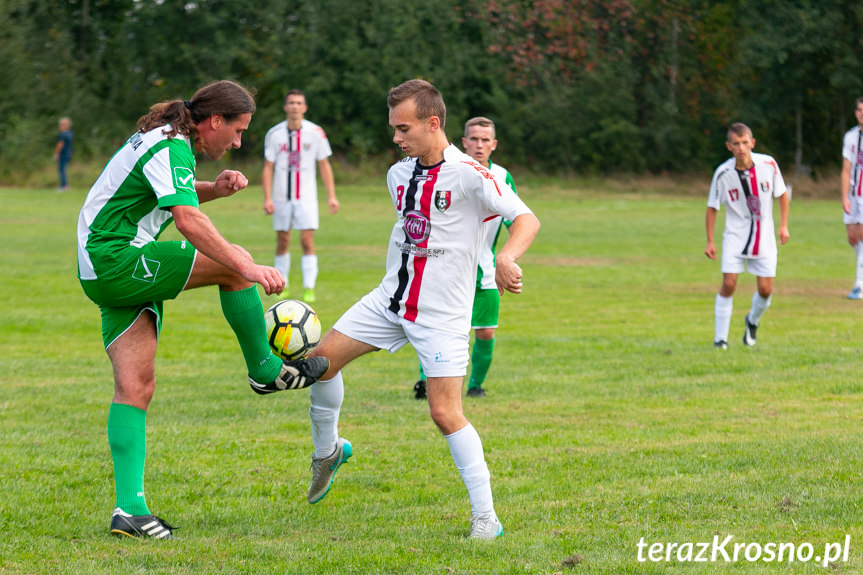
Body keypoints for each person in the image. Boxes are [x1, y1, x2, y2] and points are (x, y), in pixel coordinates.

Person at [76, 80, 328, 540]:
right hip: (115, 257)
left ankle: (128, 510)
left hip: (103, 265)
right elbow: (186, 218)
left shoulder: (168, 141)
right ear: (215, 121)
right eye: (237, 131)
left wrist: (213, 188)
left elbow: (168, 194)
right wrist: (247, 267)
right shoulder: (172, 145)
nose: (237, 142)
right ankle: (266, 369)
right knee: (232, 266)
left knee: (135, 387)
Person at [301, 79, 540, 540]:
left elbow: (526, 219)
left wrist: (507, 257)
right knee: (321, 364)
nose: (396, 137)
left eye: (403, 128)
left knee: (445, 413)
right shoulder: (398, 174)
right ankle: (328, 452)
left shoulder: (472, 174)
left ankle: (486, 519)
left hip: (443, 316)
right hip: (388, 301)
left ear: (433, 124)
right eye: (393, 128)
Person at [413, 116, 518, 400]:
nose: (479, 144)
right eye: (474, 138)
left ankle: (475, 386)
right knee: (438, 327)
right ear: (464, 142)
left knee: (484, 332)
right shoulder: (447, 170)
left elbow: (516, 223)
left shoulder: (502, 177)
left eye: (485, 140)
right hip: (447, 270)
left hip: (484, 270)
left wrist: (507, 261)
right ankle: (424, 381)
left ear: (494, 145)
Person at [705, 122, 790, 349]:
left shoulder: (768, 164)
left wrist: (783, 226)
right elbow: (712, 207)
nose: (741, 148)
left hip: (764, 236)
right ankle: (720, 339)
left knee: (765, 290)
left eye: (745, 143)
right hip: (734, 235)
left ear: (752, 143)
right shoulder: (722, 173)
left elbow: (782, 195)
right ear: (728, 146)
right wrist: (711, 240)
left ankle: (752, 321)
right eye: (736, 144)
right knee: (729, 284)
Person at [262, 90, 338, 303]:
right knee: (283, 240)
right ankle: (281, 284)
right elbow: (268, 166)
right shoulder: (274, 134)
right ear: (285, 107)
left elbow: (324, 164)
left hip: (306, 197)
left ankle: (309, 288)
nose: (295, 106)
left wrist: (331, 196)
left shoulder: (316, 132)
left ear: (304, 107)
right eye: (291, 103)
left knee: (307, 240)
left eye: (299, 103)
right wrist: (267, 197)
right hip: (281, 197)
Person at [841, 97, 863, 299]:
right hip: (853, 194)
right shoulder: (850, 137)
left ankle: (859, 284)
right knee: (853, 238)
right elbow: (846, 169)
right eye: (859, 110)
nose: (861, 113)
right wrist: (844, 196)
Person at [53, 117, 74, 191]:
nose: (59, 127)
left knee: (61, 169)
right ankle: (66, 185)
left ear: (64, 125)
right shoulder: (70, 133)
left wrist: (56, 153)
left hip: (63, 154)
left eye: (60, 125)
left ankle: (63, 186)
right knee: (64, 169)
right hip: (69, 153)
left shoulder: (63, 135)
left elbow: (60, 144)